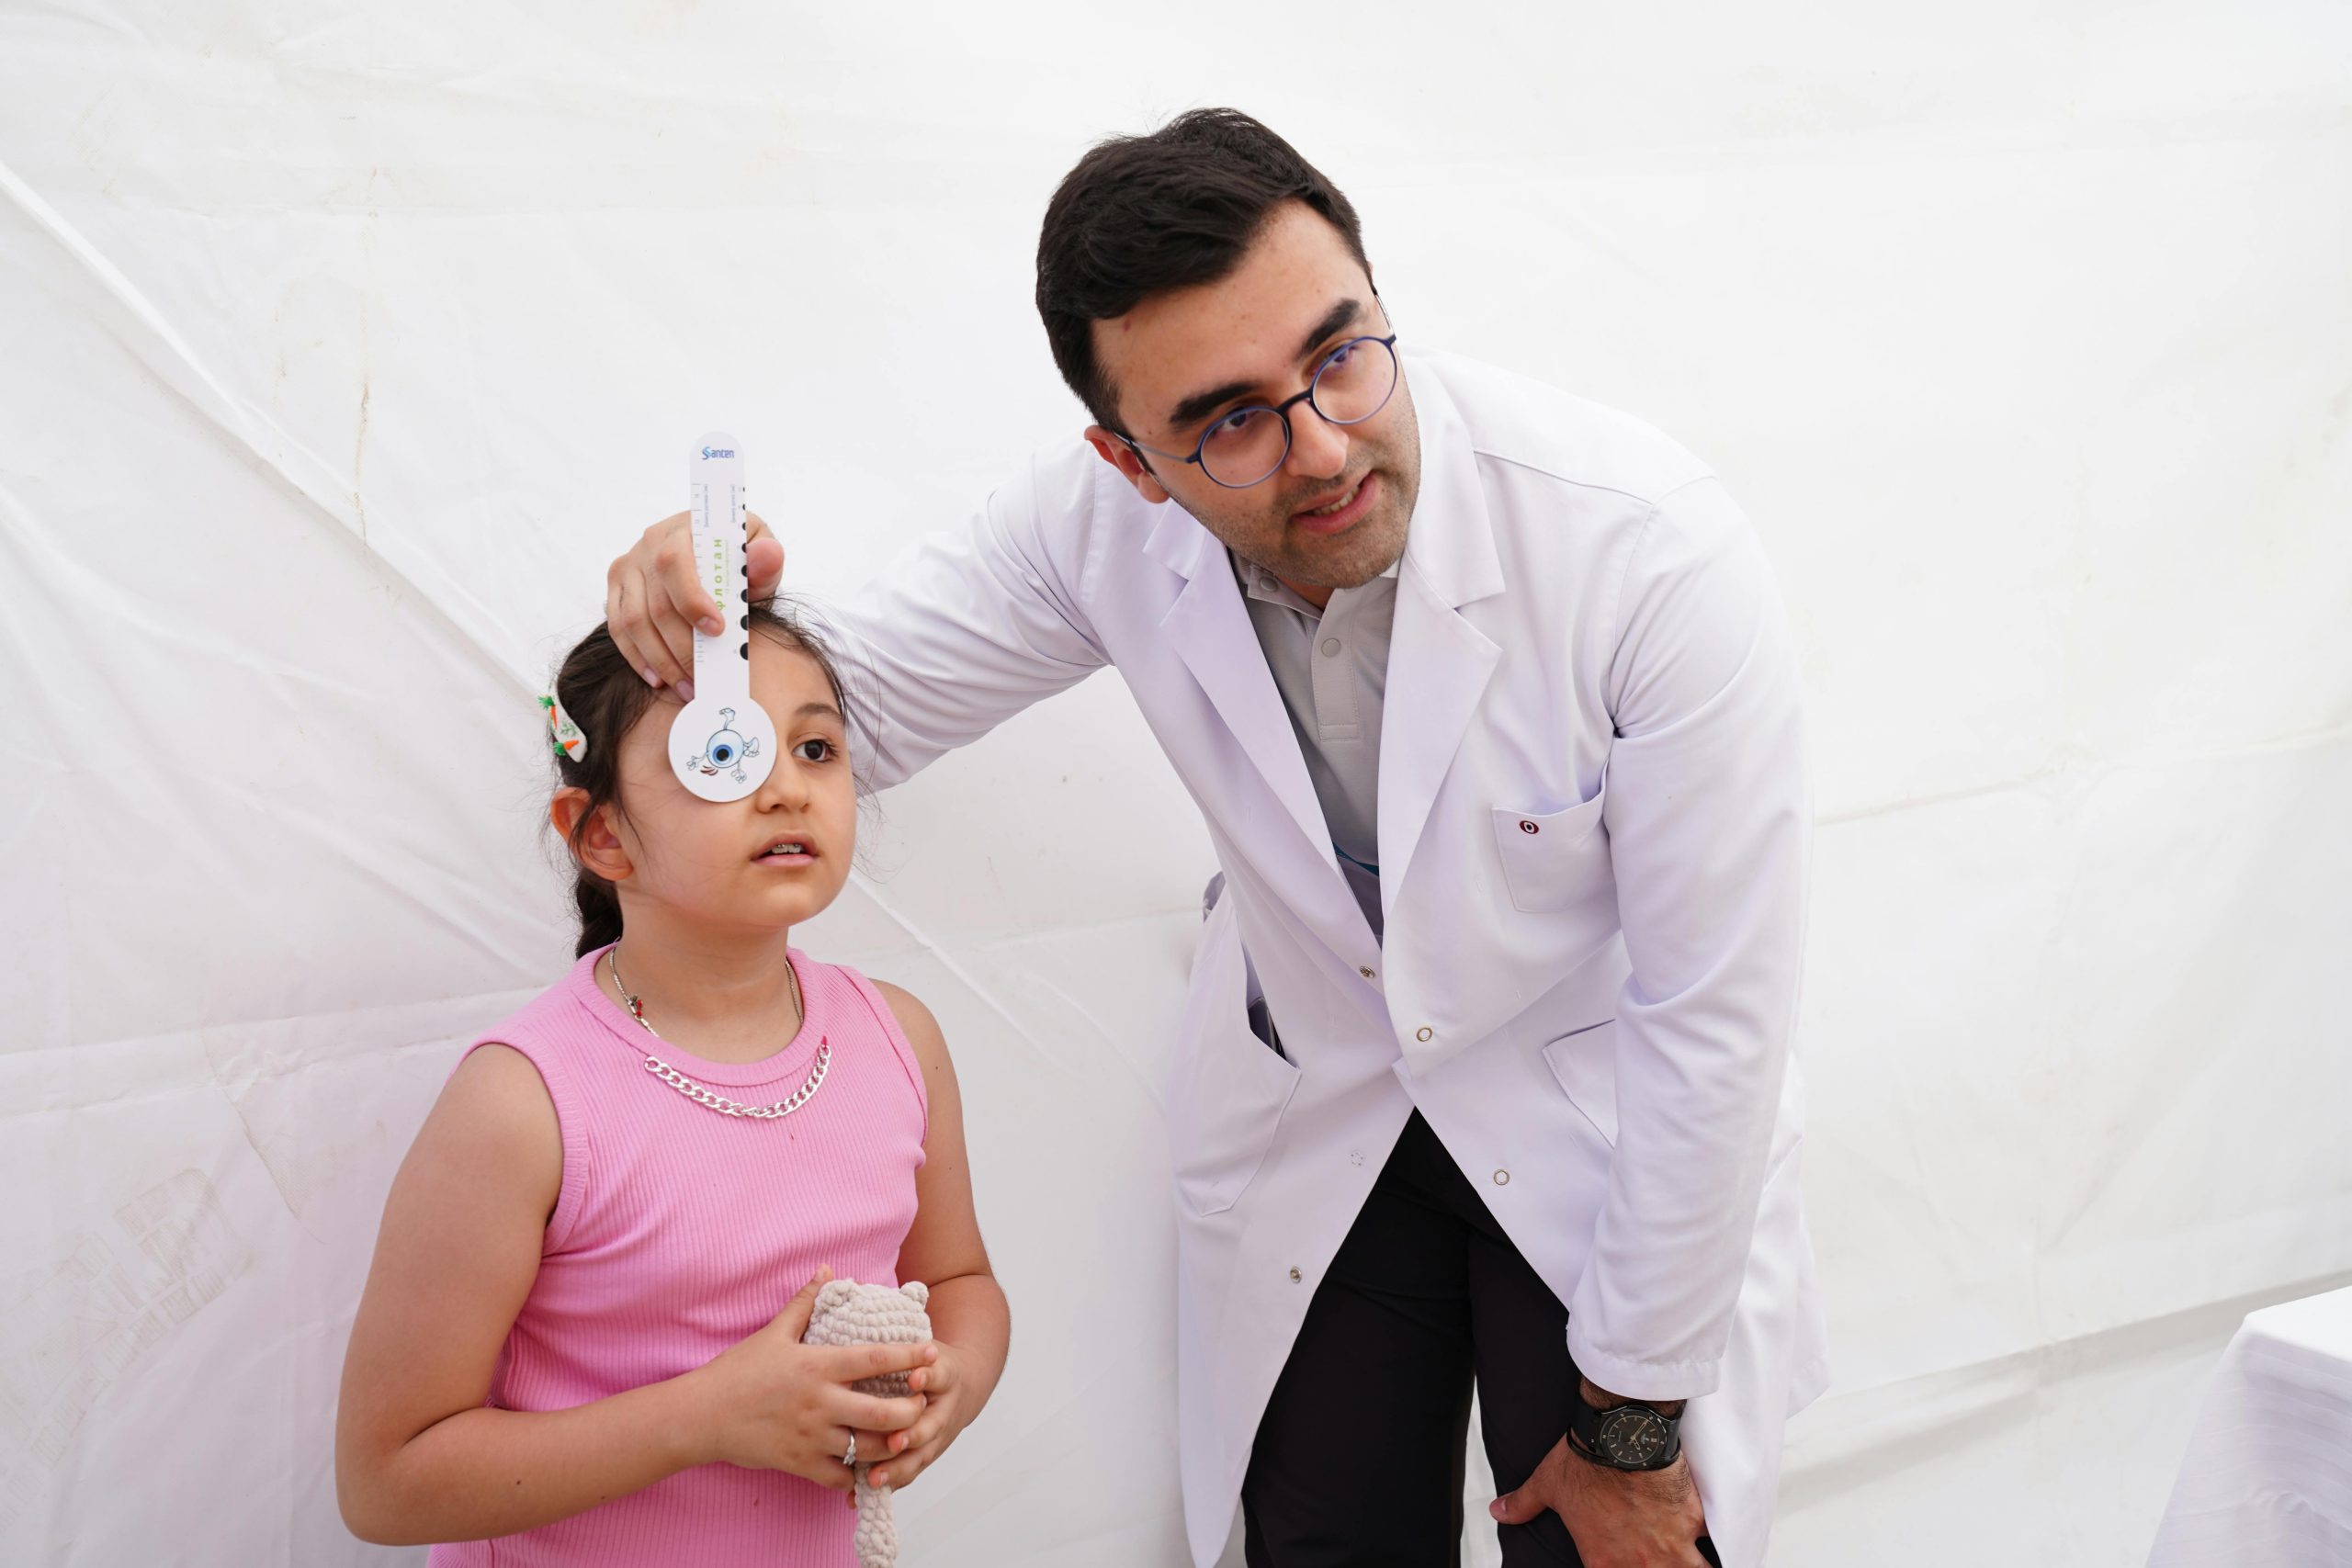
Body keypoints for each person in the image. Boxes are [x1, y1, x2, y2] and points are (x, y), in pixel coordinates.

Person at [607, 110, 1826, 1568]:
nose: (1322, 445)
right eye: (1229, 418)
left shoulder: (1647, 551)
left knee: (1613, 1545)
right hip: (1330, 1105)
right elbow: (858, 706)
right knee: (1322, 1540)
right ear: (1130, 460)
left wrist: (1633, 1424)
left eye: (1341, 353)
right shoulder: (1094, 526)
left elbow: (1715, 1018)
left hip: (1604, 1128)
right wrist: (708, 638)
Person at [334, 604, 1009, 1564]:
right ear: (601, 835)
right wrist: (706, 1418)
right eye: (721, 757)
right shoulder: (522, 1105)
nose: (787, 790)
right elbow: (385, 1481)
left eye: (815, 747)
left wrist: (956, 1383)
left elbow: (958, 1279)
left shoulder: (898, 1038)